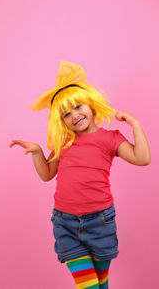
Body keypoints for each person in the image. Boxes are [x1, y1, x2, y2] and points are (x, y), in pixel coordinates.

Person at [9, 61, 151, 289]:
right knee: (88, 286)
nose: (74, 116)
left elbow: (142, 158)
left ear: (92, 104)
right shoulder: (64, 142)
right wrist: (37, 151)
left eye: (78, 107)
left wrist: (135, 124)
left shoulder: (110, 138)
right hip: (65, 224)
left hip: (100, 222)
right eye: (66, 114)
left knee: (101, 284)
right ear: (61, 121)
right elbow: (47, 175)